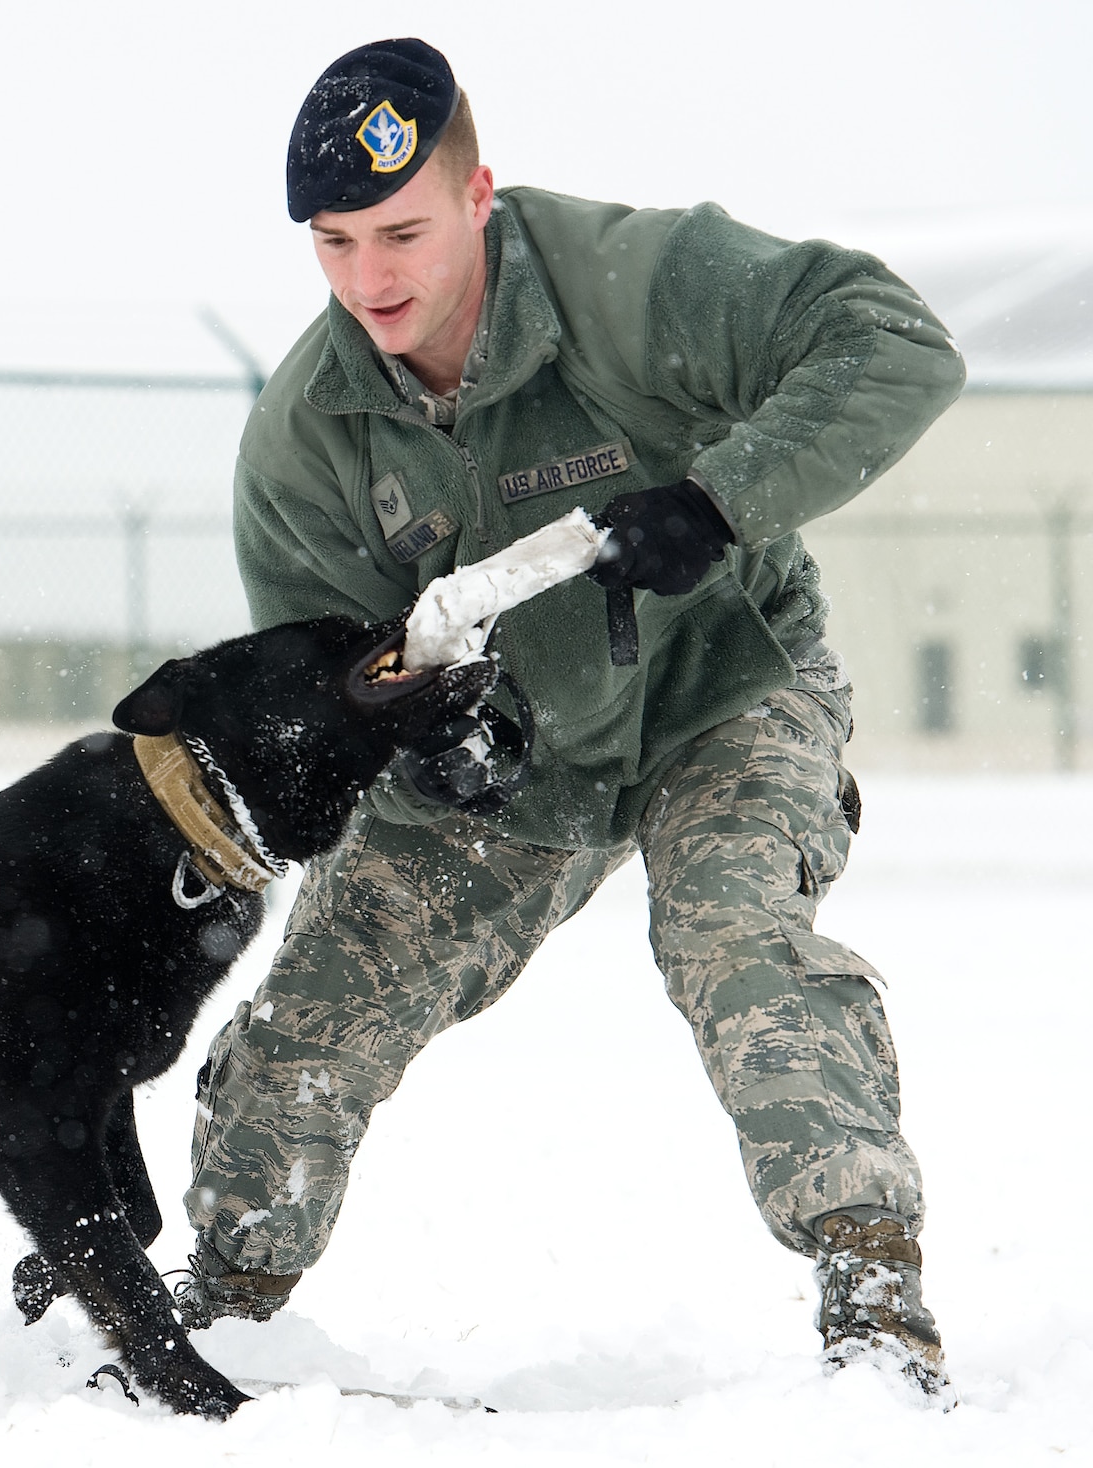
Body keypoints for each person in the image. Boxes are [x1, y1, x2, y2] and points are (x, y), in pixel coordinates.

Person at [174, 38, 964, 1396]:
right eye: (335, 242)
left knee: (735, 939)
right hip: (500, 775)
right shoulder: (309, 440)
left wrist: (721, 499)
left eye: (404, 230)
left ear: (480, 196)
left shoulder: (630, 284)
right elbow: (317, 688)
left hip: (721, 690)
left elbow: (892, 342)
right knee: (308, 1027)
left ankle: (875, 1304)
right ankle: (223, 1311)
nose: (372, 280)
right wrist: (413, 729)